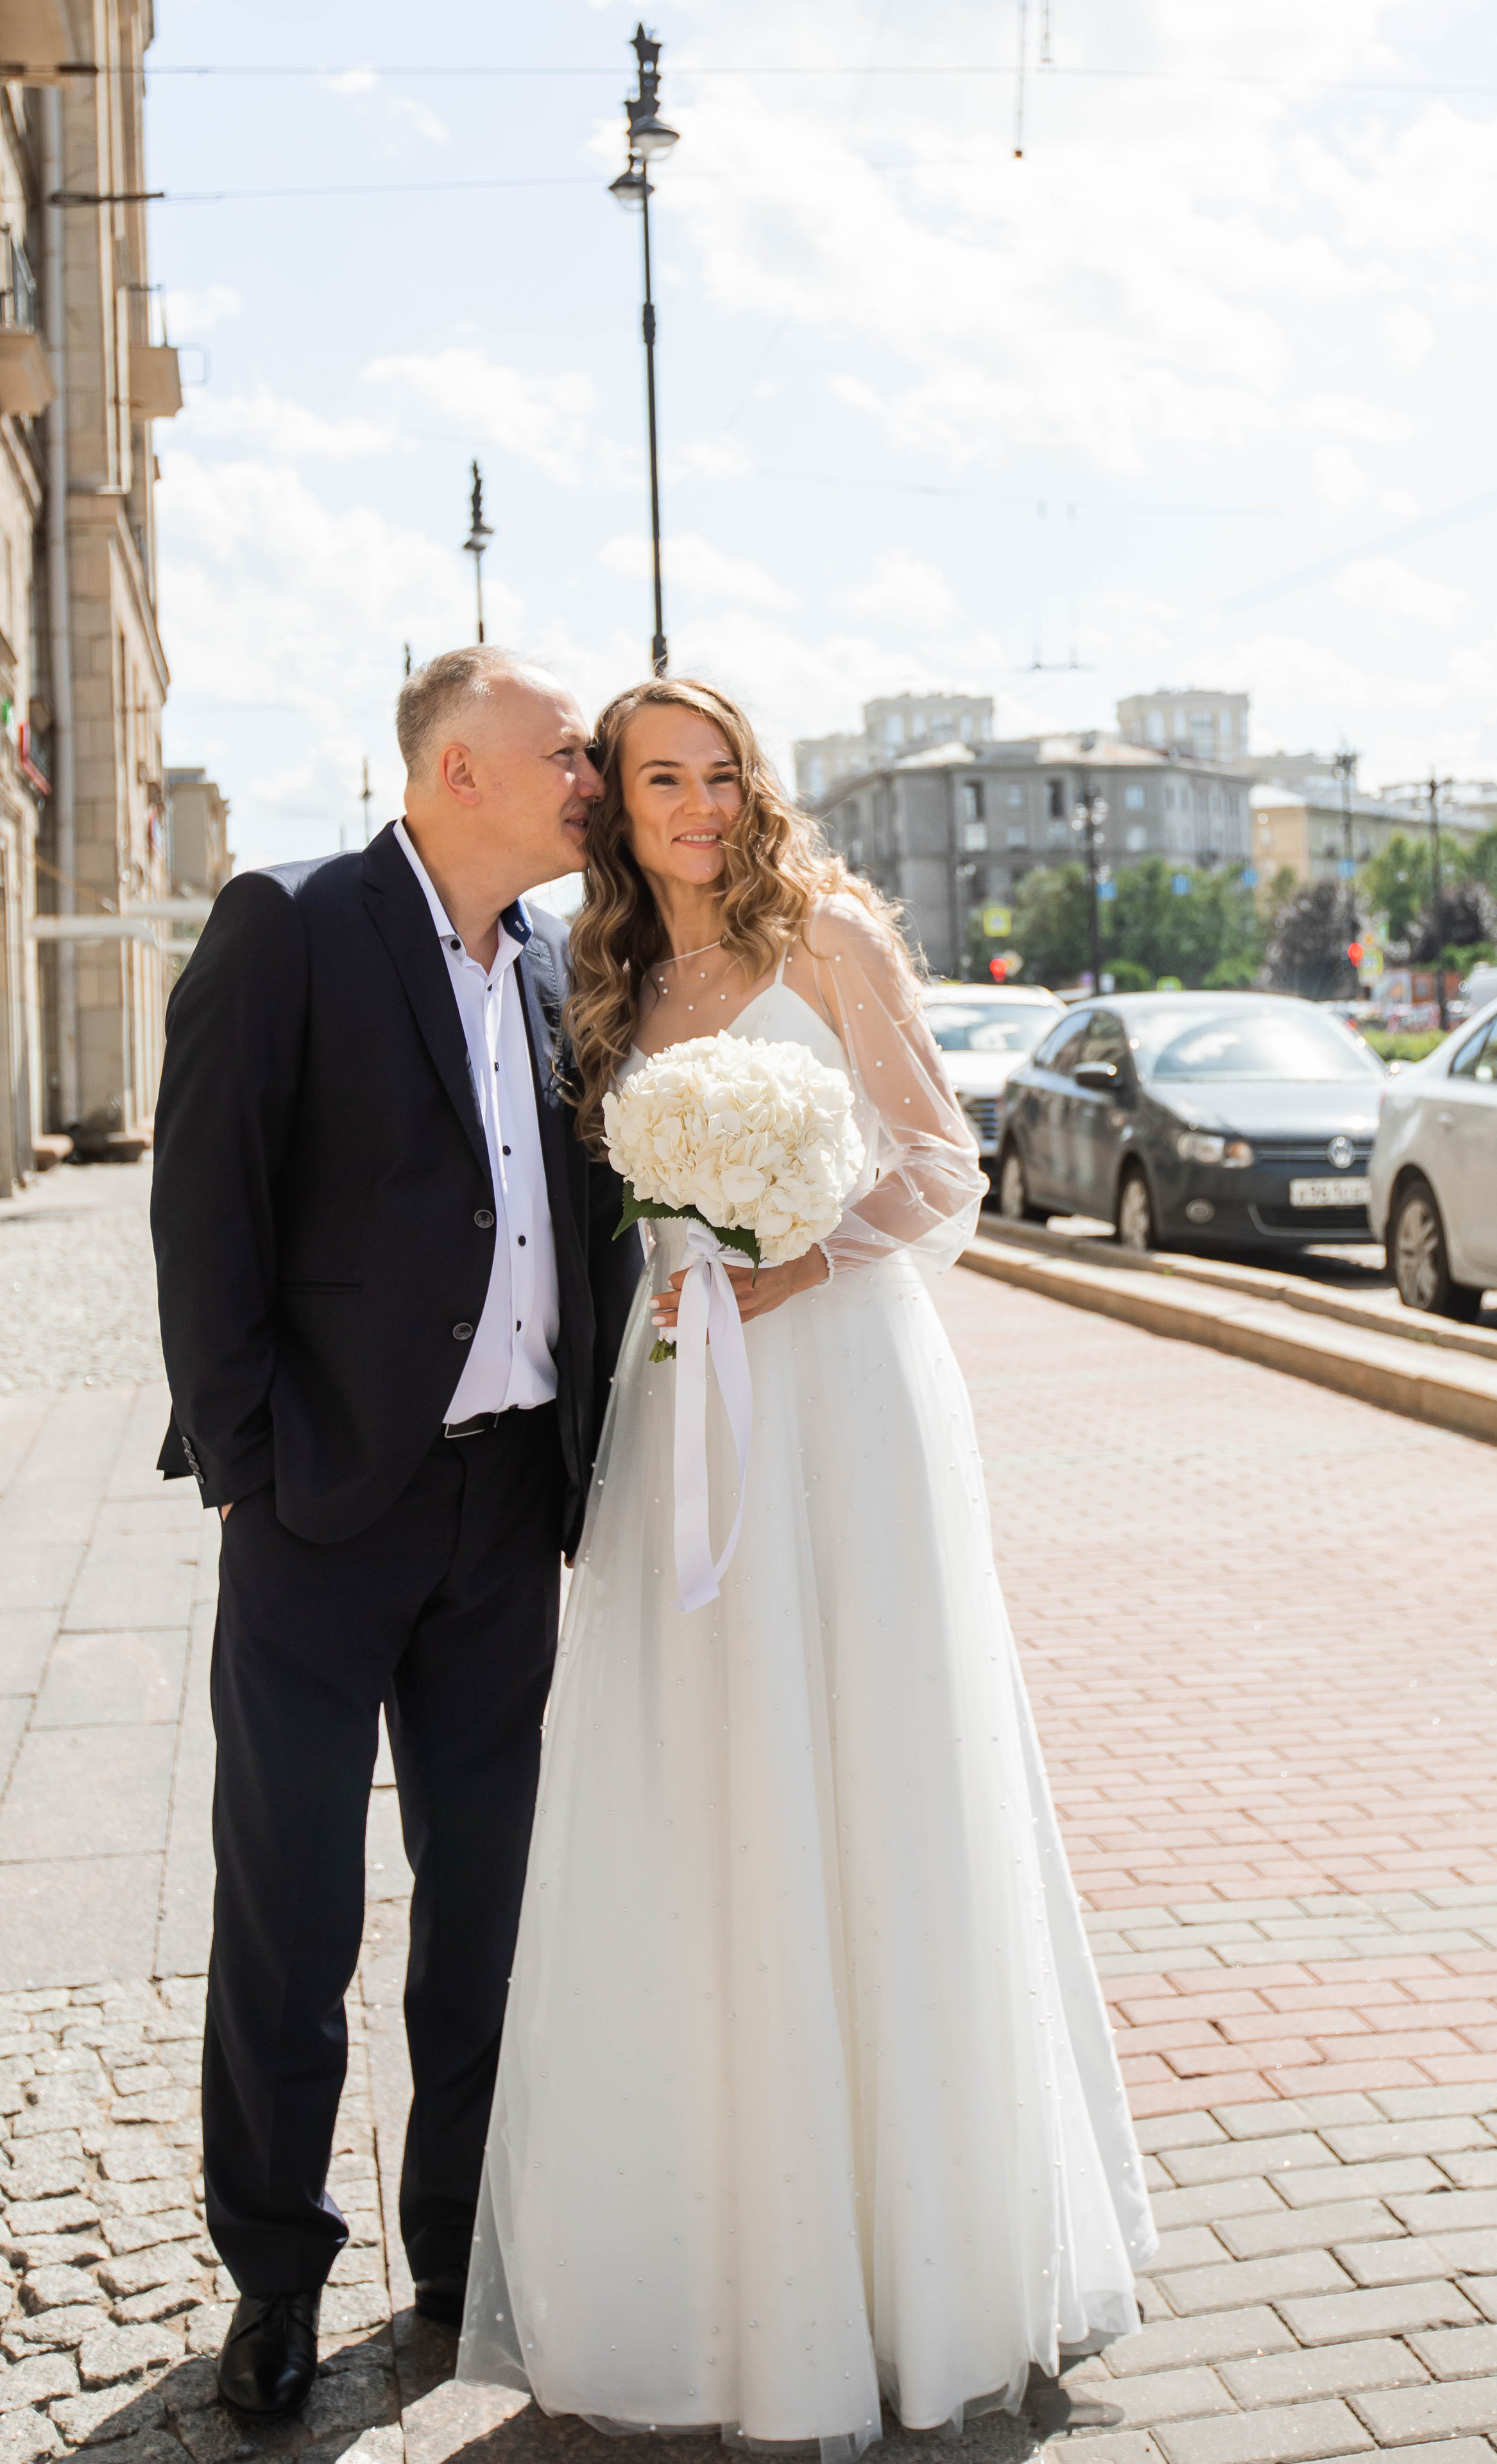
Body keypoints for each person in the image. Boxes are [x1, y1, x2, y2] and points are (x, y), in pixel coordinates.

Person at [458, 677, 1156, 2456]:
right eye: (661, 780)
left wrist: (794, 1249)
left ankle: (912, 2261)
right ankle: (716, 2253)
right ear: (614, 801)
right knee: (702, 1791)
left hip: (841, 1396)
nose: (698, 808)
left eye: (722, 776)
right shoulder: (605, 976)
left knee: (872, 1770)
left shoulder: (825, 933)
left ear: (756, 791)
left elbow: (942, 1164)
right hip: (687, 1402)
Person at [150, 648, 641, 2421]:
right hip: (319, 1511)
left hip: (504, 1512)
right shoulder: (289, 925)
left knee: (488, 1899)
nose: (587, 774)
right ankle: (275, 2276)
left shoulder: (554, 971)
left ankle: (459, 2254)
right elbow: (203, 1202)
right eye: (561, 751)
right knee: (288, 1900)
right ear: (454, 772)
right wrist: (249, 1464)